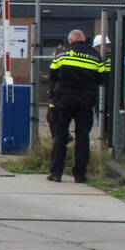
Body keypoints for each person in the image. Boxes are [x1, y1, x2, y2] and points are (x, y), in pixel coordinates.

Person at [47, 30, 109, 183]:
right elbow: (103, 78)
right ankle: (80, 174)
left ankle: (56, 173)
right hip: (86, 101)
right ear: (84, 40)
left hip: (64, 100)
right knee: (82, 137)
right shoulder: (96, 56)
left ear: (70, 41)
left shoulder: (62, 55)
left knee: (60, 136)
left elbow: (52, 76)